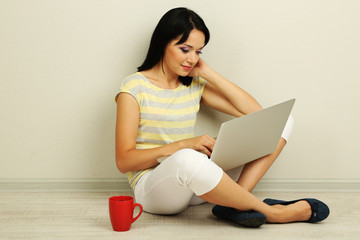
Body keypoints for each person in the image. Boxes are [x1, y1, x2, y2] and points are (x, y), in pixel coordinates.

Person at [115, 7, 329, 227]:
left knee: (282, 121)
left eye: (198, 52)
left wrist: (208, 73)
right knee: (187, 157)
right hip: (154, 190)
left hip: (197, 183)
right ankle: (271, 212)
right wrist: (183, 146)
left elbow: (258, 114)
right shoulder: (134, 87)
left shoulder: (193, 85)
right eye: (185, 49)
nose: (191, 59)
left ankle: (235, 204)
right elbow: (124, 161)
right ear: (163, 44)